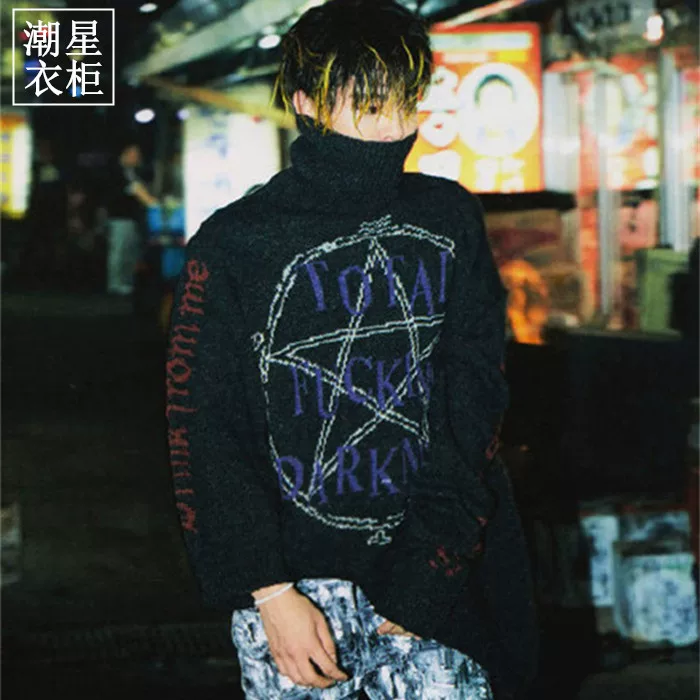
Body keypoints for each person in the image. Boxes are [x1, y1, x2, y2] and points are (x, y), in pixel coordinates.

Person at [166, 1, 538, 698]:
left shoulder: (448, 216)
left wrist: (433, 566)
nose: (391, 130)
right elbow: (204, 429)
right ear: (305, 102)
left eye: (404, 105)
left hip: (436, 570)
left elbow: (474, 397)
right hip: (293, 592)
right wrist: (268, 591)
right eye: (367, 107)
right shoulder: (235, 243)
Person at [106, 140, 158, 295]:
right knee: (119, 251)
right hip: (119, 217)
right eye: (135, 154)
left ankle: (127, 282)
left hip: (131, 217)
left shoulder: (134, 172)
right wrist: (151, 203)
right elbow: (135, 190)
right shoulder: (116, 172)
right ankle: (115, 283)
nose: (138, 158)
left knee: (130, 251)